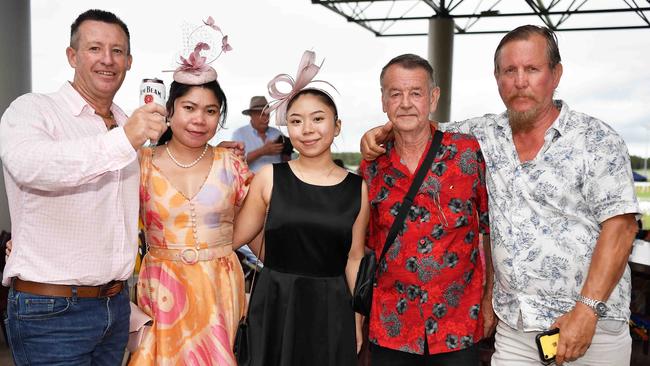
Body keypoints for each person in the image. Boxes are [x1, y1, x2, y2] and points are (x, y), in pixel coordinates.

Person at [361, 26, 639, 366]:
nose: (520, 81)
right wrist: (383, 130)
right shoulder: (480, 135)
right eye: (510, 71)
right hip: (516, 330)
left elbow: (621, 228)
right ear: (497, 78)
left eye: (532, 69)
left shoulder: (597, 139)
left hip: (590, 326)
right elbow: (417, 124)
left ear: (556, 74)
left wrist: (586, 310)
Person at [0, 9, 167, 365]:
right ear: (72, 56)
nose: (107, 59)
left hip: (116, 308)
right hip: (52, 309)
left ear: (129, 61)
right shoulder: (33, 110)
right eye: (94, 48)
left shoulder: (126, 122)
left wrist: (212, 153)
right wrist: (125, 140)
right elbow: (32, 166)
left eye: (118, 51)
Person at [232, 50, 369, 366]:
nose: (307, 129)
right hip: (275, 302)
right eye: (296, 121)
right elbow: (239, 235)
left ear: (336, 126)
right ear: (288, 129)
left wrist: (357, 320)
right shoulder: (269, 178)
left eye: (318, 119)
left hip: (332, 307)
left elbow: (354, 258)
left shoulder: (356, 188)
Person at [357, 54, 491, 365]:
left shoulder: (466, 152)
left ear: (433, 97)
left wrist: (489, 298)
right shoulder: (372, 166)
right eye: (395, 93)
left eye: (416, 93)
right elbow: (362, 244)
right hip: (392, 326)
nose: (405, 103)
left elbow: (489, 231)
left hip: (457, 324)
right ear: (383, 101)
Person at [128, 21, 250, 365]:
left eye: (210, 111)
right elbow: (108, 216)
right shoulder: (141, 162)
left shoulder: (232, 164)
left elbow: (257, 228)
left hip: (219, 288)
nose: (200, 119)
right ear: (170, 109)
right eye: (189, 108)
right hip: (162, 290)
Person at [232, 95, 290, 173]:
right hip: (250, 183)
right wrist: (262, 151)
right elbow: (236, 164)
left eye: (268, 114)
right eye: (262, 114)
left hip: (277, 182)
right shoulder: (239, 134)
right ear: (251, 114)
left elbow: (286, 162)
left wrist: (286, 153)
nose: (266, 118)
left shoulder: (277, 133)